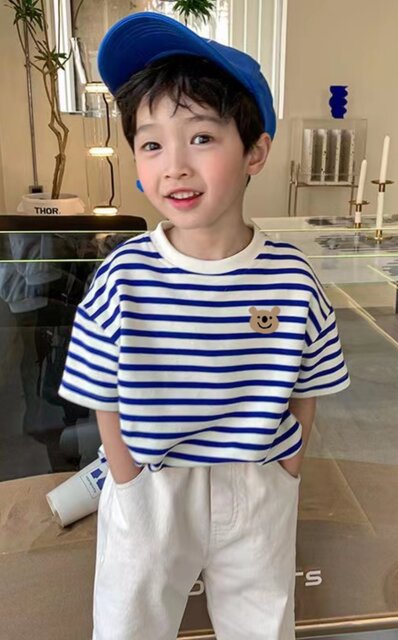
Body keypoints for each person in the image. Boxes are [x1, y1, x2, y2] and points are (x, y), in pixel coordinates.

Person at [58, 11, 350, 640]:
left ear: (255, 152)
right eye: (152, 144)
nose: (175, 166)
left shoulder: (291, 277)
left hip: (258, 482)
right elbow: (101, 391)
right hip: (152, 484)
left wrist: (287, 467)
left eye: (201, 138)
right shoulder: (123, 275)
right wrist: (127, 478)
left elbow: (310, 382)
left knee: (262, 624)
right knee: (130, 623)